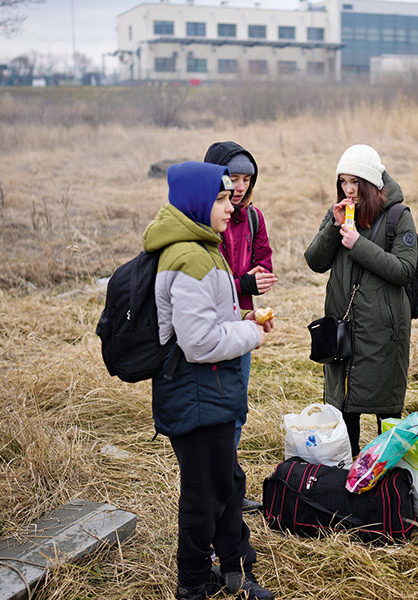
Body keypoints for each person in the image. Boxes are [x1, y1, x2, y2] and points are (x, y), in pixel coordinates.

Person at [143, 161, 275, 600]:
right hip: (194, 393)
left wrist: (241, 316)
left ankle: (236, 570)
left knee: (227, 484)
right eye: (220, 198)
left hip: (211, 392)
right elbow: (197, 342)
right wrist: (251, 334)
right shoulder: (189, 258)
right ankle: (193, 585)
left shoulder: (203, 247)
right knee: (204, 497)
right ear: (199, 202)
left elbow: (209, 319)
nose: (230, 203)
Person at [304, 144, 417, 457]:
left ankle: (389, 486)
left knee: (386, 413)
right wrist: (334, 227)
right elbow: (314, 261)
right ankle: (347, 484)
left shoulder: (398, 216)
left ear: (371, 184)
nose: (348, 190)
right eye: (343, 182)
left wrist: (357, 245)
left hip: (384, 332)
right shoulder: (338, 213)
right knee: (344, 409)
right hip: (342, 329)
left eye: (355, 183)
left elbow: (405, 269)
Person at [203, 141, 276, 513]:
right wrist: (244, 283)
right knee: (214, 412)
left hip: (243, 323)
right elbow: (205, 283)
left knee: (236, 408)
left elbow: (263, 259)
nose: (241, 186)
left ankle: (229, 489)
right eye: (234, 177)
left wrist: (259, 279)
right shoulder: (206, 218)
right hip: (209, 330)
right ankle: (214, 492)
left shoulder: (252, 217)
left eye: (248, 178)